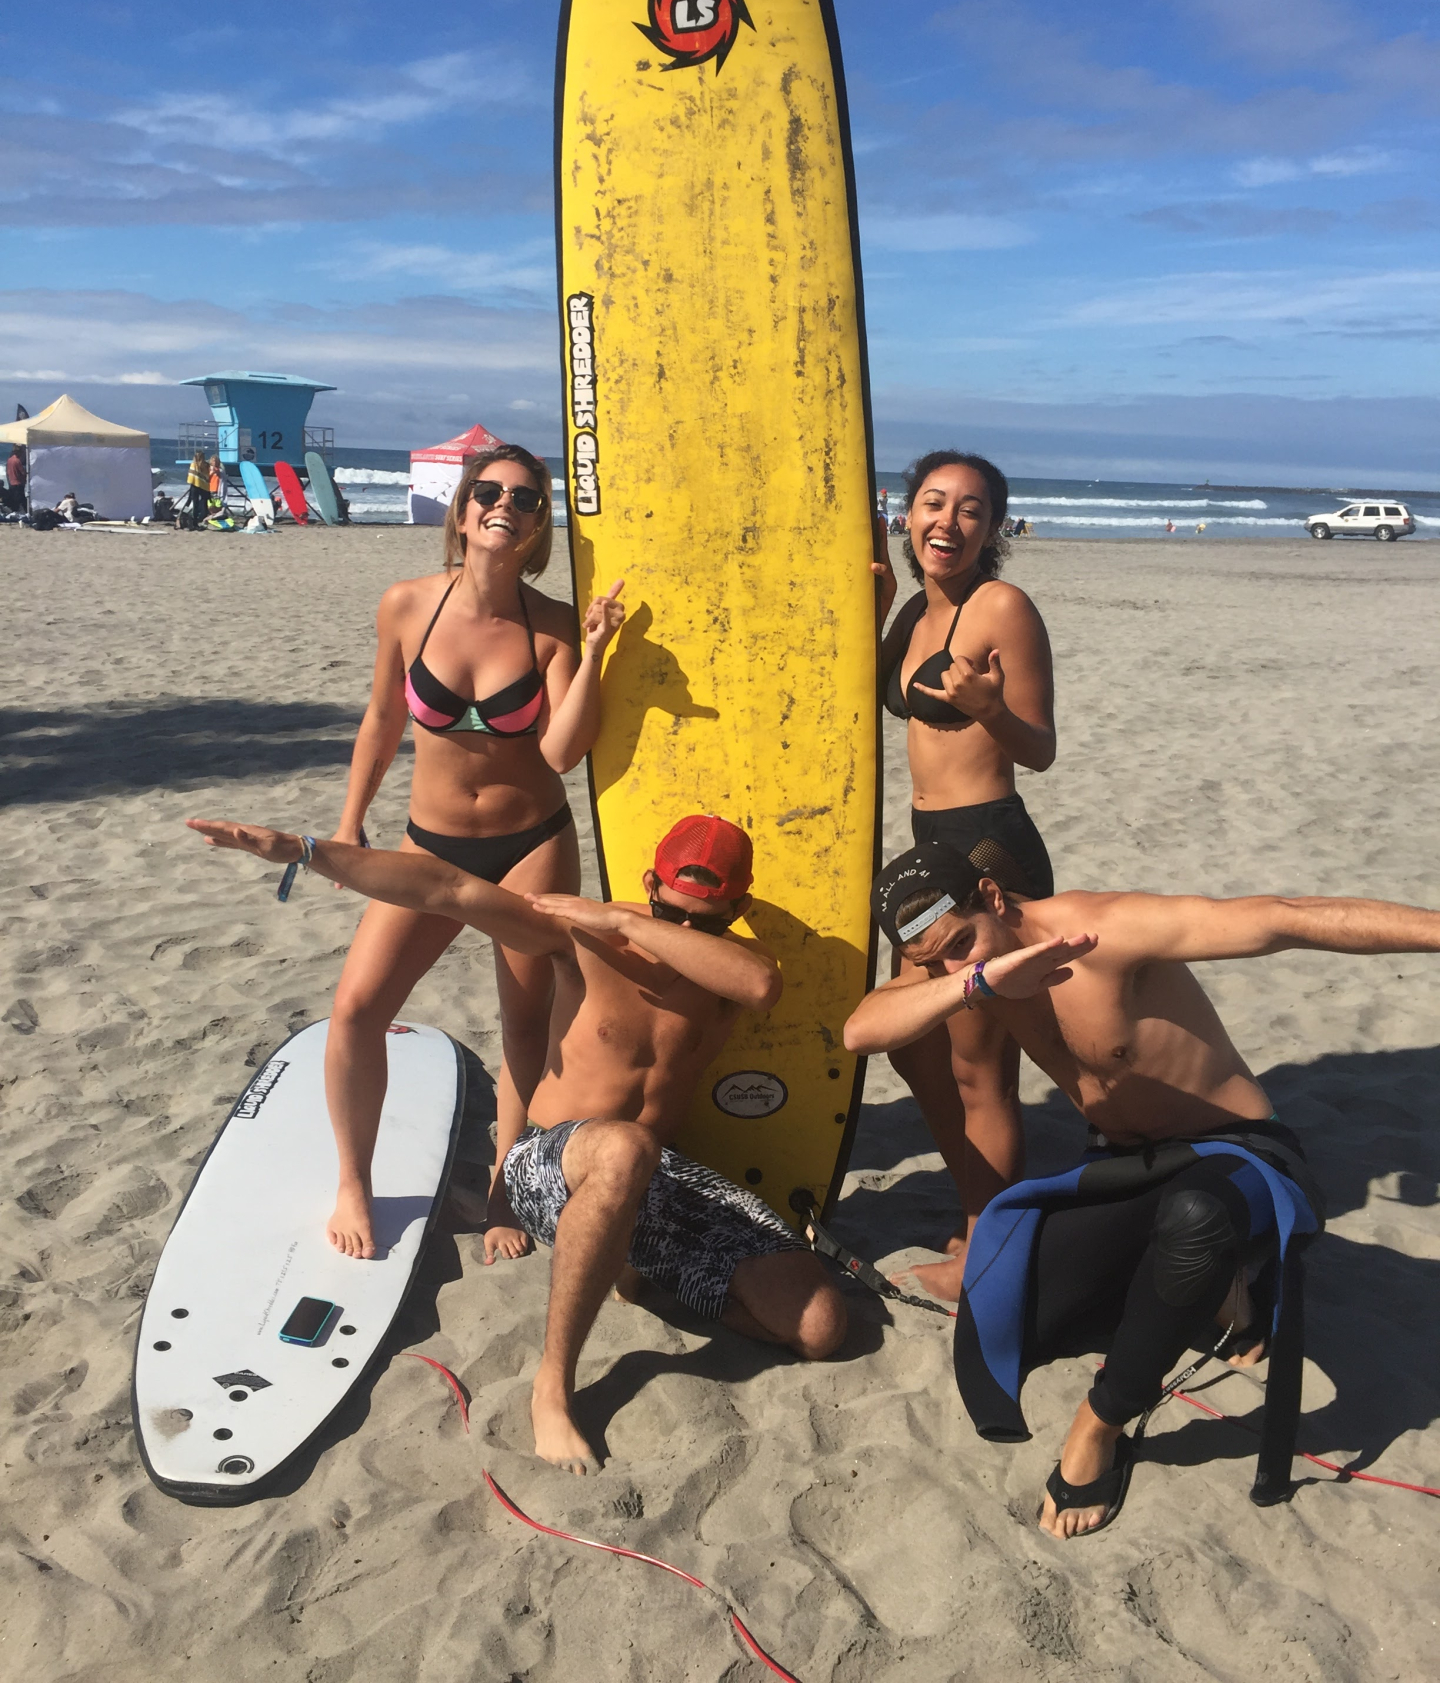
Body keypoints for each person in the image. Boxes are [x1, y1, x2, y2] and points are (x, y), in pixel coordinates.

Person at [185, 810, 846, 1472]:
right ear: (648, 882)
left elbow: (762, 986)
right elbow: (447, 887)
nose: (680, 930)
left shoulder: (732, 964)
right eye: (666, 910)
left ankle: (634, 1269)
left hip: (648, 1175)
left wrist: (632, 921)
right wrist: (304, 850)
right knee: (623, 1149)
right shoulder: (581, 935)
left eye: (704, 921)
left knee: (821, 1329)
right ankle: (553, 1386)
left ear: (741, 908)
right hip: (550, 1163)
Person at [846, 842, 1440, 1539]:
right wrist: (979, 980)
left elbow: (1285, 918)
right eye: (933, 961)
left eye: (961, 944)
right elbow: (862, 1029)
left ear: (995, 896)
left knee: (1195, 1218)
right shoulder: (974, 978)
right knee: (1018, 1292)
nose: (954, 966)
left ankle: (1103, 1421)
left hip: (1243, 1153)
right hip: (1126, 1165)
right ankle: (1233, 1304)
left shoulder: (1106, 932)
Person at [322, 445, 625, 1263]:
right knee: (357, 1010)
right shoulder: (406, 605)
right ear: (461, 511)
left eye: (525, 500)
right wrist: (352, 821)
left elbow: (562, 752)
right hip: (429, 843)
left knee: (525, 1030)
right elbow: (383, 721)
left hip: (531, 843)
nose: (505, 506)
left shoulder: (554, 623)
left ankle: (502, 1185)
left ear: (537, 529)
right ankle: (354, 1179)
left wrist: (594, 652)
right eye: (488, 493)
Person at [871, 450, 1057, 1301]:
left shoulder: (1002, 607)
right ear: (908, 515)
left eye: (971, 511)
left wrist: (992, 711)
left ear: (994, 529)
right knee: (913, 1044)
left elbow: (1040, 748)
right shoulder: (916, 608)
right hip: (926, 844)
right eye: (934, 504)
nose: (948, 523)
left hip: (986, 849)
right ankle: (985, 1211)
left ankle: (990, 1247)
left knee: (980, 1066)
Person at [184, 448, 210, 526]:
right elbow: (208, 477)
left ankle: (195, 520)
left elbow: (191, 477)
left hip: (194, 486)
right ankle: (202, 518)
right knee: (204, 503)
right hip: (204, 487)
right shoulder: (206, 465)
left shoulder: (193, 464)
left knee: (195, 503)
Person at [5, 445, 25, 514]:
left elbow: (8, 471)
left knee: (14, 499)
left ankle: (13, 511)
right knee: (21, 499)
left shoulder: (9, 460)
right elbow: (22, 472)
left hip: (11, 482)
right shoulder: (17, 461)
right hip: (18, 483)